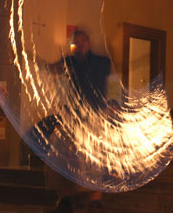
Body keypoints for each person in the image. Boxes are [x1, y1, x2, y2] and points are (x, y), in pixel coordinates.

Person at [25, 29, 110, 212]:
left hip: (94, 117)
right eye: (76, 43)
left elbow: (111, 85)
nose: (79, 47)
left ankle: (95, 198)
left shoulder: (101, 62)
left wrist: (111, 107)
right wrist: (31, 57)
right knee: (64, 155)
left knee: (93, 157)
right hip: (73, 116)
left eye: (82, 42)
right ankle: (66, 197)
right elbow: (51, 69)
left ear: (88, 41)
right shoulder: (70, 62)